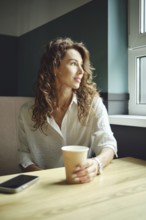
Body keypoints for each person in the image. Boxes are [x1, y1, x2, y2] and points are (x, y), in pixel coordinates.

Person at [18, 37, 117, 184]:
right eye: (73, 64)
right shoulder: (27, 111)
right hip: (43, 186)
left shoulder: (93, 104)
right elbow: (23, 155)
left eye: (82, 65)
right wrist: (45, 178)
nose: (82, 71)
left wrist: (96, 164)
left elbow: (108, 144)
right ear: (54, 68)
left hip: (81, 183)